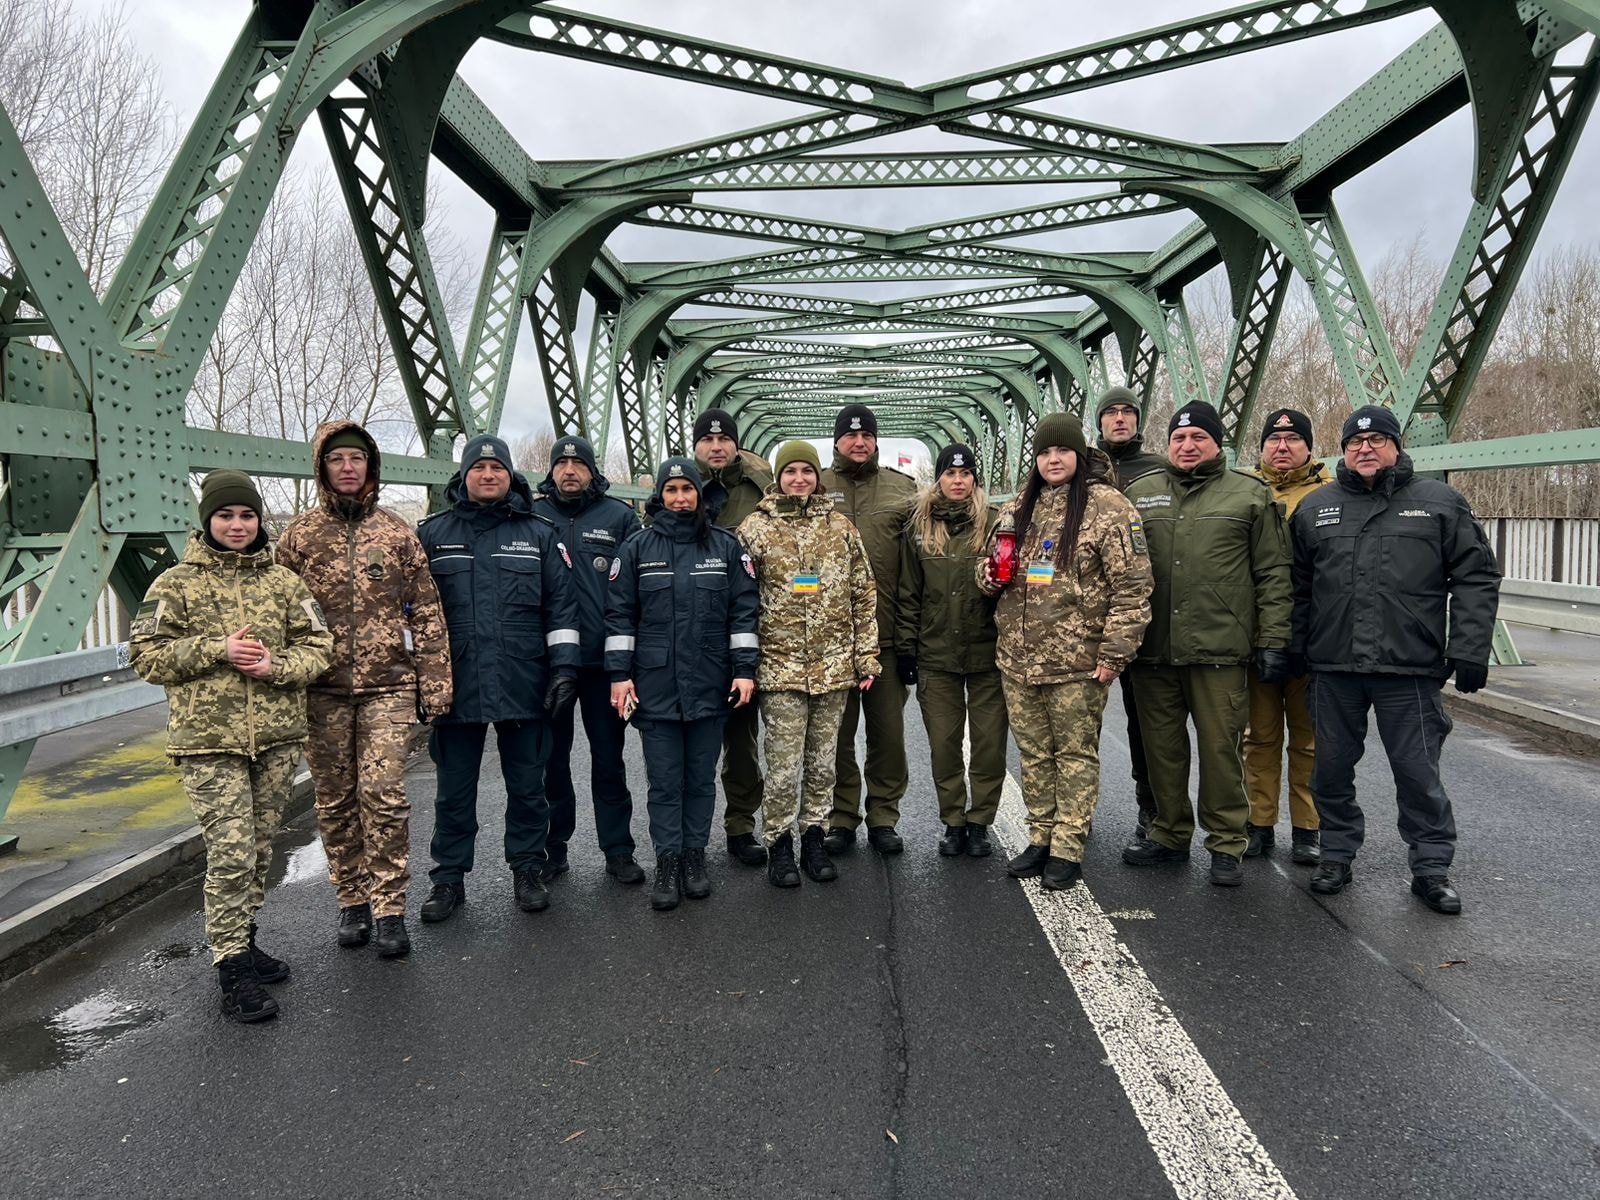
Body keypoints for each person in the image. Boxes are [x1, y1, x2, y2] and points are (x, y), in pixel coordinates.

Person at [130, 470, 333, 1023]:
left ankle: (243, 939)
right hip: (208, 743)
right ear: (208, 521)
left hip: (275, 738)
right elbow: (146, 655)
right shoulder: (176, 584)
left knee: (261, 851)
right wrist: (216, 648)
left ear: (259, 520)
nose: (238, 525)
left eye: (247, 515)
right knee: (232, 852)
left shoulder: (285, 583)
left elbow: (320, 646)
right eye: (226, 515)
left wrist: (278, 666)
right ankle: (231, 970)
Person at [1290, 404, 1500, 914]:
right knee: (1332, 769)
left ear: (1397, 446)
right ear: (1342, 450)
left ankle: (1430, 868)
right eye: (1355, 442)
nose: (1366, 449)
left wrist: (1469, 647)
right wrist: (1292, 647)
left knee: (1416, 770)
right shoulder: (1316, 508)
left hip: (1410, 667)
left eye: (1378, 440)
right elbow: (1297, 589)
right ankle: (1336, 854)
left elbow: (1475, 576)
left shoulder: (1439, 503)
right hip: (1334, 666)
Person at [275, 421, 451, 960]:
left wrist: (435, 682)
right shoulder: (299, 538)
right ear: (322, 468)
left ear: (371, 467)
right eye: (337, 460)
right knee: (334, 800)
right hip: (321, 689)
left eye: (357, 458)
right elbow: (274, 613)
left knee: (384, 795)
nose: (348, 467)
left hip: (387, 688)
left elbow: (425, 610)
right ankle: (351, 899)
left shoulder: (396, 533)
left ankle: (389, 906)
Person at [1121, 400, 1292, 887]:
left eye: (1199, 437)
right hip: (1154, 650)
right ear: (1168, 444)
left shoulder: (1249, 494)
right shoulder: (1142, 493)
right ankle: (1170, 834)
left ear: (1218, 443)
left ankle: (1225, 842)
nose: (1188, 445)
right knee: (1162, 751)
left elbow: (1273, 574)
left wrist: (1274, 638)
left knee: (1221, 751)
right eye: (1179, 438)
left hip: (1219, 649)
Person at [978, 417, 1152, 890]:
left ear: (1078, 454)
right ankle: (1040, 835)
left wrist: (1114, 653)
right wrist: (989, 576)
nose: (1053, 460)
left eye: (1062, 451)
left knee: (1074, 754)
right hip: (1019, 658)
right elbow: (986, 564)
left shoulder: (1109, 508)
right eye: (1044, 452)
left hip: (1077, 661)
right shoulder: (1018, 507)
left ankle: (1068, 846)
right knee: (1035, 753)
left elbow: (1133, 586)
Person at [416, 434, 581, 922]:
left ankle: (528, 868)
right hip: (457, 685)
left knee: (528, 786)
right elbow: (411, 614)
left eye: (497, 468)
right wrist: (421, 682)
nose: (488, 475)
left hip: (523, 681)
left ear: (511, 476)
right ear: (463, 476)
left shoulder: (538, 535)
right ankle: (448, 878)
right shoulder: (432, 535)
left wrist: (566, 669)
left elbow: (562, 609)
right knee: (453, 790)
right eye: (478, 468)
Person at [605, 457, 759, 910]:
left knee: (701, 780)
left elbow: (743, 614)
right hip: (656, 687)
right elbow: (619, 617)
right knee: (665, 782)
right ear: (660, 497)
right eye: (671, 491)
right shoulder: (637, 548)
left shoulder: (726, 548)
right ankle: (668, 861)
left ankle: (695, 857)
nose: (679, 498)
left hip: (711, 683)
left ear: (698, 495)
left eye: (686, 490)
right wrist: (619, 675)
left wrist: (744, 669)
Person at [737, 440, 880, 888]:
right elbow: (740, 600)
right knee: (782, 765)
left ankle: (814, 836)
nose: (798, 479)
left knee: (823, 762)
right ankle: (779, 843)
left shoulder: (841, 529)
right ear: (777, 477)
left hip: (833, 667)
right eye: (790, 471)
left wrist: (866, 656)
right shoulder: (754, 530)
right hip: (779, 668)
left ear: (818, 476)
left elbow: (863, 592)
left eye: (806, 471)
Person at [533, 434, 644, 885]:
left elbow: (635, 589)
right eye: (562, 463)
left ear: (592, 470)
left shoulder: (619, 517)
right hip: (549, 664)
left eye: (579, 464)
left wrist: (630, 664)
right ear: (552, 470)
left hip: (603, 664)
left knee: (608, 759)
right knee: (551, 761)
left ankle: (617, 850)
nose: (570, 471)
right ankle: (553, 849)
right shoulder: (532, 515)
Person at [896, 443, 1008, 858]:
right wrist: (907, 648)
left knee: (989, 743)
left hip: (988, 654)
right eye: (950, 474)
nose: (958, 481)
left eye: (965, 474)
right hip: (936, 654)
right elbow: (909, 593)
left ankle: (980, 821)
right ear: (939, 479)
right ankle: (953, 821)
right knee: (944, 744)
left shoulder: (997, 524)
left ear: (974, 478)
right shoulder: (920, 528)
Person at [818, 403, 917, 856]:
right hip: (830, 639)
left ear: (876, 441)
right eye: (850, 435)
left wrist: (912, 636)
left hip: (887, 637)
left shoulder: (904, 491)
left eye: (867, 436)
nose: (859, 442)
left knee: (888, 735)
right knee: (837, 735)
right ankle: (842, 816)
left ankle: (883, 816)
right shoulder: (815, 486)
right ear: (836, 440)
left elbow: (919, 567)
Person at [1242, 408, 1329, 865]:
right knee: (1259, 737)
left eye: (1293, 439)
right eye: (1274, 440)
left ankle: (1308, 827)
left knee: (1309, 740)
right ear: (1261, 448)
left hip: (1312, 639)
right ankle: (1258, 824)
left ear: (1308, 448)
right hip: (1258, 638)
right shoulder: (1245, 493)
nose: (1282, 446)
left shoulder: (1330, 497)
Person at [691, 408, 775, 868]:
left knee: (743, 739)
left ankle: (742, 825)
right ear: (697, 445)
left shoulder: (762, 488)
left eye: (724, 440)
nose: (716, 447)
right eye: (707, 440)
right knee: (701, 738)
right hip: (699, 634)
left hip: (757, 624)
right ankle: (691, 834)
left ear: (736, 444)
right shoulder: (679, 488)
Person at [1095, 385, 1169, 842]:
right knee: (1079, 723)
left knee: (1147, 724)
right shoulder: (1084, 470)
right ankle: (1073, 814)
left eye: (1127, 412)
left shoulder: (1160, 471)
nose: (1120, 419)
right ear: (1099, 421)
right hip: (1085, 622)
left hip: (1141, 616)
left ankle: (1152, 807)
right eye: (1111, 412)